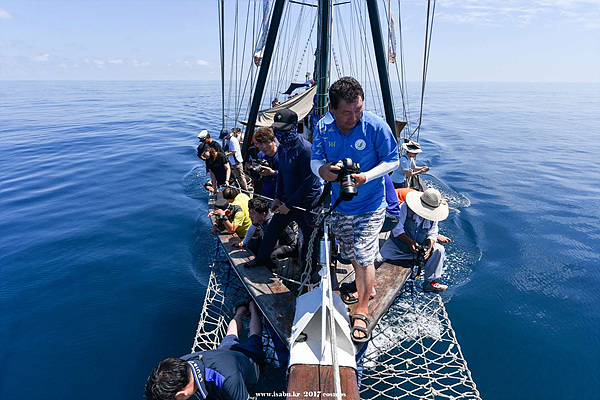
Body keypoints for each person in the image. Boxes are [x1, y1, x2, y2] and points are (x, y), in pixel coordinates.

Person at [311, 76, 399, 343]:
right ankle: (366, 287)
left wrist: (366, 177)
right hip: (342, 205)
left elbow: (392, 161)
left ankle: (362, 309)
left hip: (371, 203)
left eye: (358, 110)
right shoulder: (323, 129)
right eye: (347, 112)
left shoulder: (375, 126)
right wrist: (323, 170)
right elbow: (316, 160)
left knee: (363, 255)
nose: (354, 116)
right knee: (349, 251)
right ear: (332, 110)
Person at [246, 109, 321, 277]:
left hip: (306, 205)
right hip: (287, 201)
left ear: (294, 128)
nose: (280, 134)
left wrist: (288, 205)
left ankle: (307, 273)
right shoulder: (282, 149)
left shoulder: (306, 150)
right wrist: (278, 198)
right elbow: (282, 177)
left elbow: (308, 184)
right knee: (272, 229)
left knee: (309, 241)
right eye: (277, 130)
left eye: (284, 130)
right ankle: (260, 259)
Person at [145, 301, 263, 400]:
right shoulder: (183, 362)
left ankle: (253, 308)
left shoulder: (229, 380)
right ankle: (240, 311)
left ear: (181, 394)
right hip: (221, 355)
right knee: (231, 335)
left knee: (255, 335)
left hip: (248, 358)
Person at [379, 188, 450, 293]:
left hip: (417, 251)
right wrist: (410, 242)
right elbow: (397, 229)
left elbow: (433, 233)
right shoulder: (404, 207)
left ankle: (430, 282)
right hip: (396, 247)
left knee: (439, 250)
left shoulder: (434, 216)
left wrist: (429, 248)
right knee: (377, 259)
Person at [237, 197, 297, 271]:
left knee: (272, 255)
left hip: (289, 245)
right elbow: (252, 228)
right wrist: (243, 242)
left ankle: (273, 271)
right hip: (273, 241)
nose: (249, 215)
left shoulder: (271, 223)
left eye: (252, 213)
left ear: (263, 214)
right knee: (253, 243)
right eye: (249, 212)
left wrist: (261, 257)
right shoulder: (260, 218)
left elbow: (273, 244)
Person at [251, 127, 279, 199]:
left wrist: (273, 173)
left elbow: (290, 177)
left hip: (281, 197)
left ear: (274, 141)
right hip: (266, 194)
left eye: (266, 142)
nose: (264, 147)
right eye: (260, 143)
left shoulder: (283, 155)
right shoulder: (260, 155)